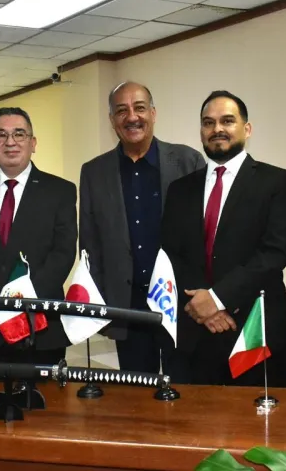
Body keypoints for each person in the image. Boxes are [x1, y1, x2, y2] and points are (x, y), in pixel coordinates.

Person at [162, 90, 286, 386]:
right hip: (195, 329)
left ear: (247, 129)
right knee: (195, 414)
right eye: (208, 123)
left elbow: (274, 253)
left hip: (255, 328)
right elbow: (171, 254)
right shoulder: (180, 189)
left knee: (260, 415)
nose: (217, 129)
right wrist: (203, 306)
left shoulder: (275, 182)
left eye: (227, 121)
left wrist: (217, 298)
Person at [79, 81, 204, 374]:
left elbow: (206, 234)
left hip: (180, 302)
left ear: (153, 113)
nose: (132, 117)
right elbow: (90, 243)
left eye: (139, 108)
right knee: (136, 388)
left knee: (185, 386)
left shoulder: (188, 161)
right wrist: (100, 303)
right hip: (127, 304)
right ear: (112, 120)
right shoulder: (94, 172)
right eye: (122, 110)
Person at [0, 107, 76, 365]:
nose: (10, 142)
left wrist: (21, 302)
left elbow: (63, 253)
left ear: (33, 143)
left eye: (19, 134)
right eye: (1, 135)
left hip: (41, 326)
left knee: (44, 392)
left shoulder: (60, 191)